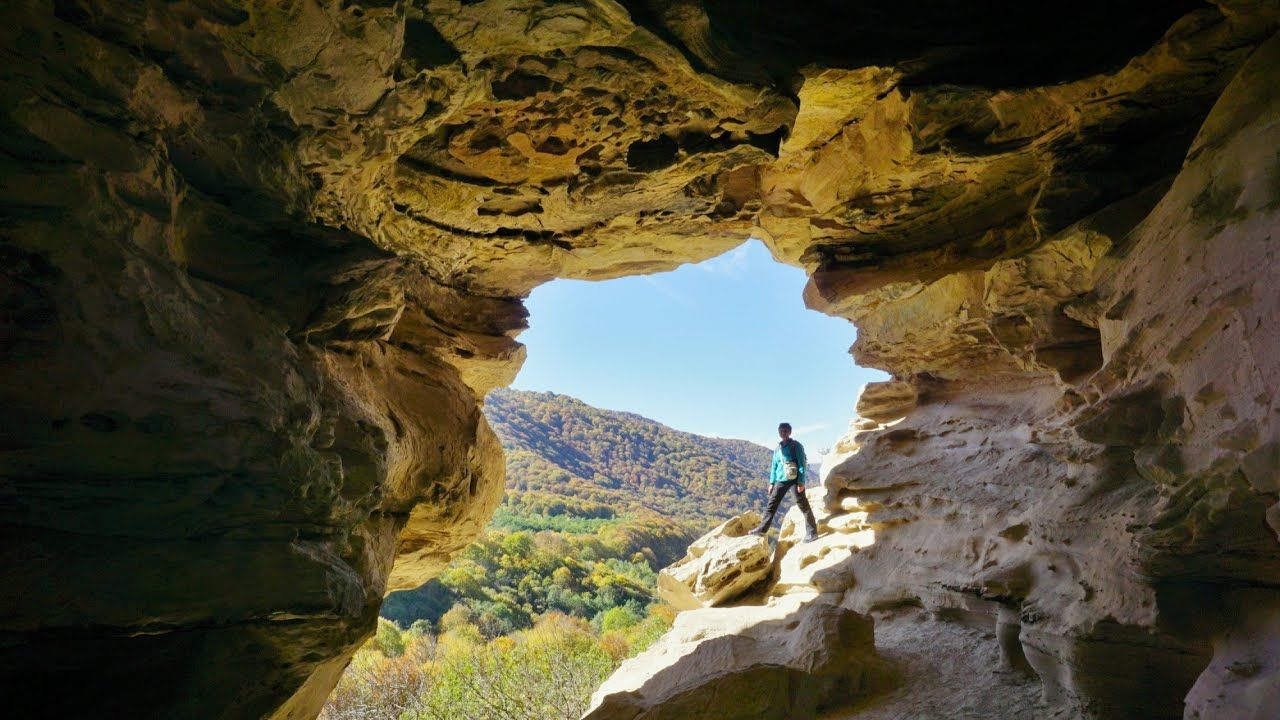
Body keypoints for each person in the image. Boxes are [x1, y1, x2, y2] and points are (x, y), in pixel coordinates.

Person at [748, 422, 819, 542]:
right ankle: (762, 529)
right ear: (779, 432)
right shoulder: (778, 449)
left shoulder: (796, 446)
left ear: (790, 432)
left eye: (785, 431)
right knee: (772, 504)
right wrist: (771, 482)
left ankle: (812, 533)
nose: (783, 433)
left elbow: (802, 463)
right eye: (781, 431)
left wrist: (801, 482)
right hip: (781, 480)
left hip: (795, 479)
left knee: (803, 505)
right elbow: (774, 466)